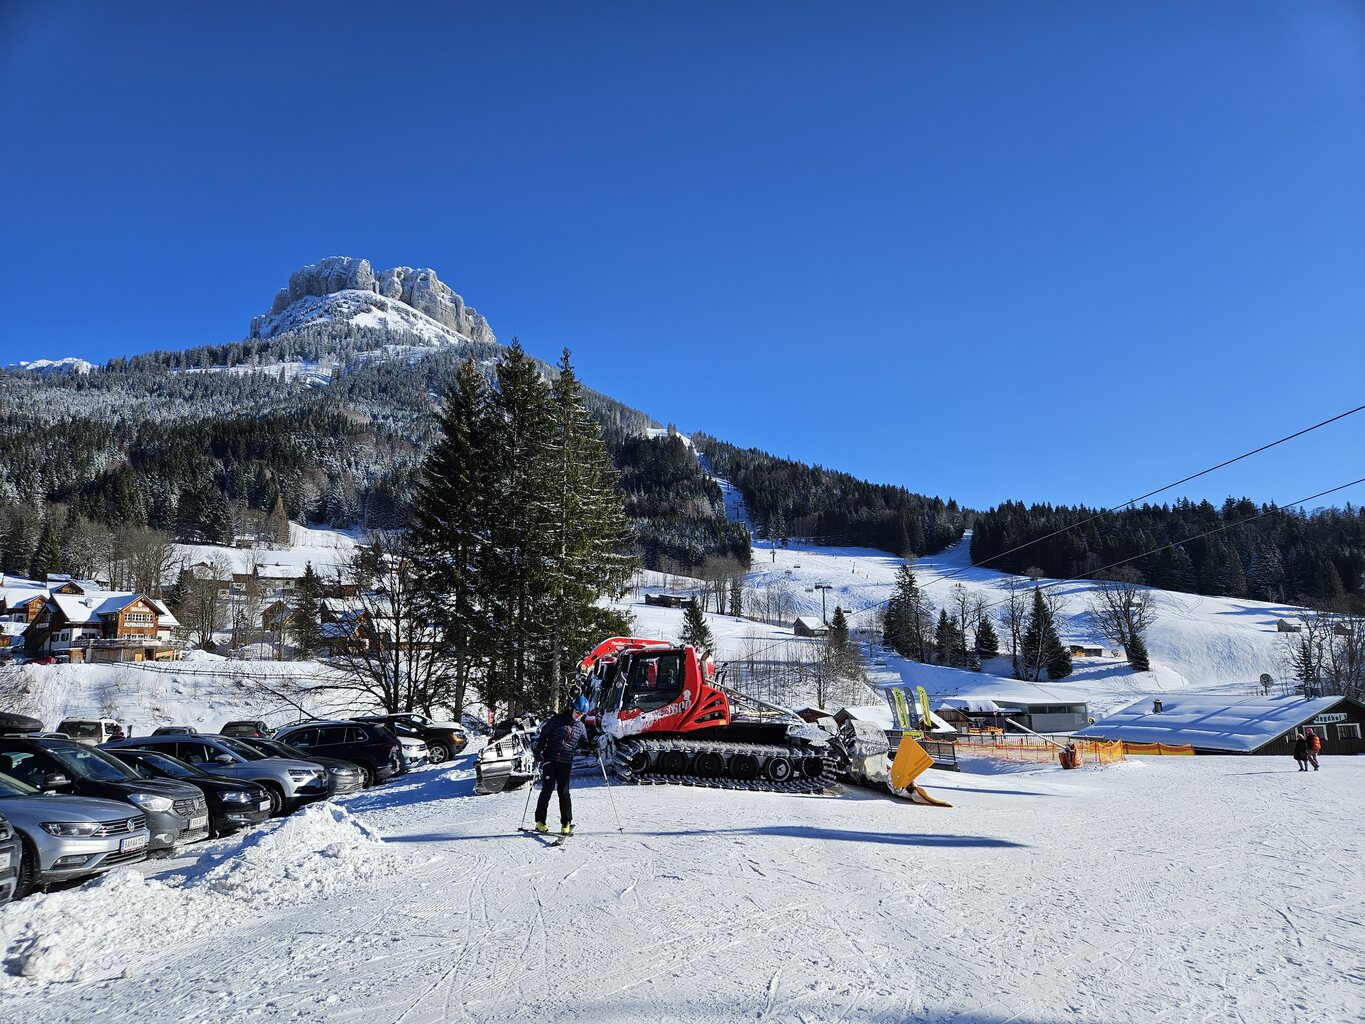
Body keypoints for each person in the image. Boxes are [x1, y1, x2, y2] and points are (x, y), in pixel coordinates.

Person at [532, 696, 589, 836]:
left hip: (566, 762)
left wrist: (592, 746)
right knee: (547, 790)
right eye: (577, 712)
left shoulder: (580, 727)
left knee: (564, 792)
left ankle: (566, 823)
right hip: (550, 759)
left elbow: (583, 743)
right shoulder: (557, 720)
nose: (578, 715)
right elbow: (544, 735)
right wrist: (538, 751)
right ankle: (540, 821)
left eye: (581, 714)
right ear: (572, 708)